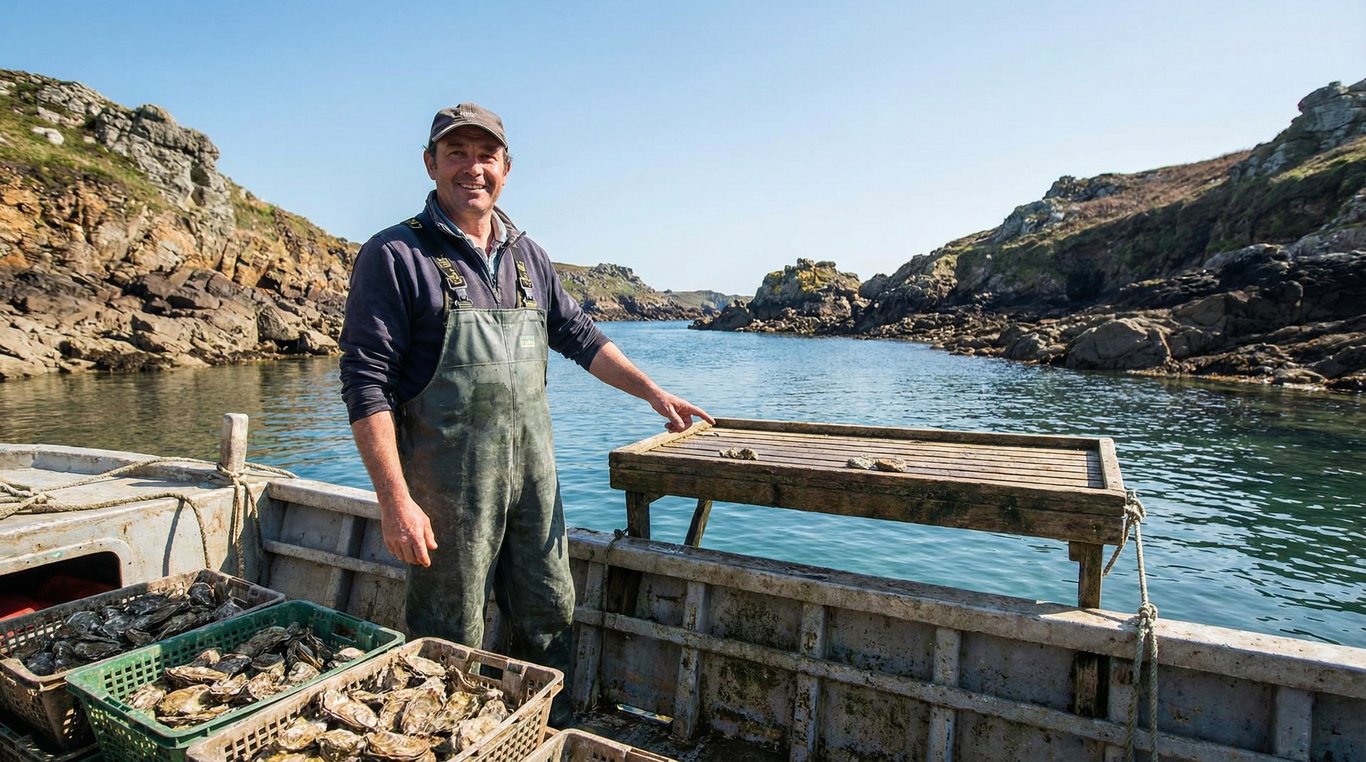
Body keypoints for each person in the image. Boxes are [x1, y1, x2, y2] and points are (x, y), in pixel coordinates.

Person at [338, 103, 712, 722]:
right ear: (430, 164)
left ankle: (543, 731)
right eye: (456, 154)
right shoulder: (396, 254)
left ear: (506, 169)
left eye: (485, 156)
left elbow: (581, 336)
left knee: (549, 609)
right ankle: (446, 739)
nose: (472, 168)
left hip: (534, 483)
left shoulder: (527, 256)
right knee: (448, 630)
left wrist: (654, 393)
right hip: (445, 490)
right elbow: (365, 383)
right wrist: (395, 501)